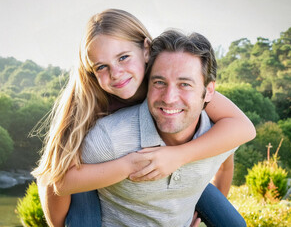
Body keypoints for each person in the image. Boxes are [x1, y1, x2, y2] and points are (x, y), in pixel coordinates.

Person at [32, 9, 255, 226]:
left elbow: (243, 128)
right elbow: (55, 180)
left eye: (123, 57)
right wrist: (128, 165)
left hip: (171, 169)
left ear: (146, 49)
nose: (116, 73)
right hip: (97, 172)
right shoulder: (88, 104)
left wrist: (178, 157)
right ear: (91, 70)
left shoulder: (176, 82)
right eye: (102, 66)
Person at [79, 29, 241, 226]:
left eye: (185, 84)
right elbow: (56, 182)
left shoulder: (219, 133)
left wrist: (195, 210)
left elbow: (225, 163)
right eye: (159, 82)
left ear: (208, 92)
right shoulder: (108, 138)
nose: (169, 97)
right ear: (148, 83)